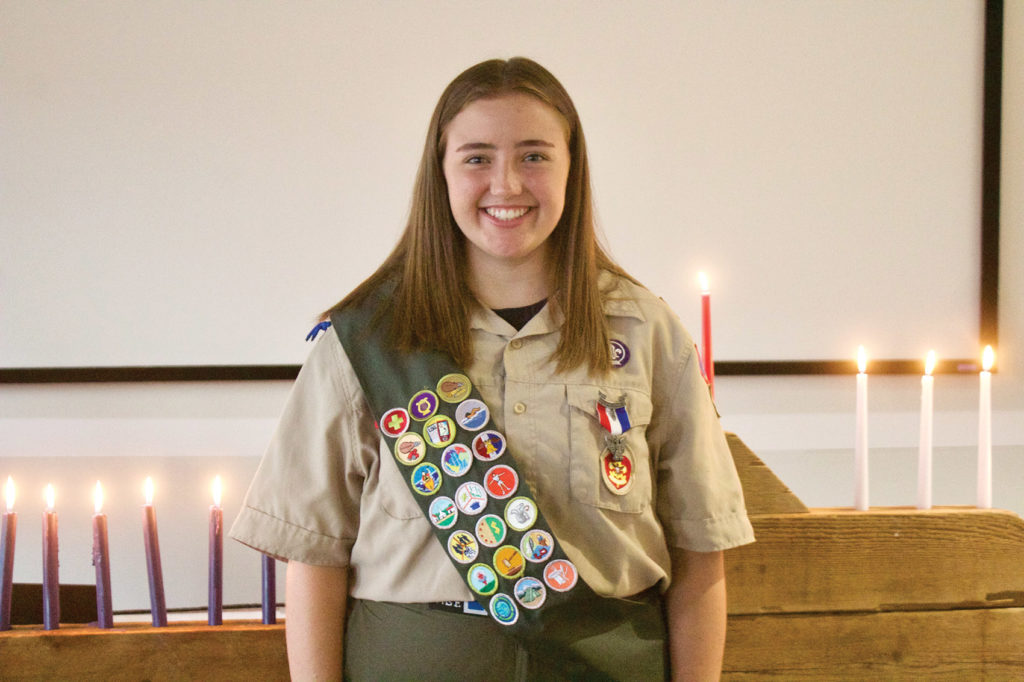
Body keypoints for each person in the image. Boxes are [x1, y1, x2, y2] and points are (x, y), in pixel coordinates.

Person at [230, 56, 754, 681]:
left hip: (600, 662)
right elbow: (315, 559)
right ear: (441, 172)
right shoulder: (367, 340)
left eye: (534, 155)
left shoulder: (646, 333)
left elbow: (701, 557)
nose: (505, 184)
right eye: (477, 157)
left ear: (571, 168)